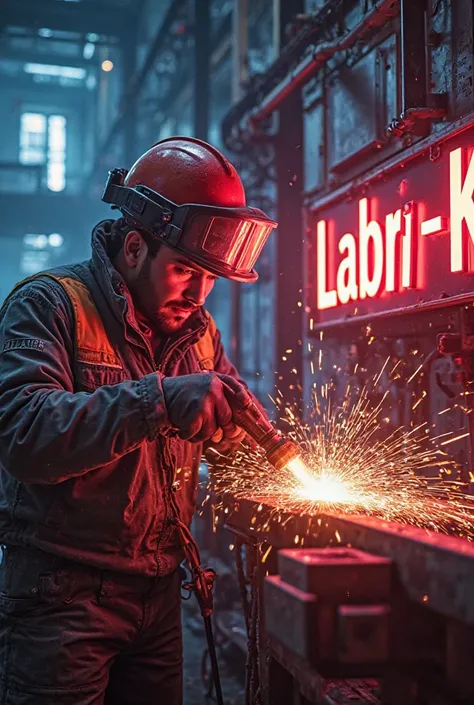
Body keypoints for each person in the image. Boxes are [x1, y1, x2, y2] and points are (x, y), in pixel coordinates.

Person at [0, 137, 277, 705]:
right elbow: (24, 434)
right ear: (133, 248)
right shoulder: (50, 305)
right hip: (61, 603)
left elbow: (227, 422)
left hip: (158, 598)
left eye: (210, 279)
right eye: (183, 270)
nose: (198, 294)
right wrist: (159, 401)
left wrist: (252, 448)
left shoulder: (197, 334)